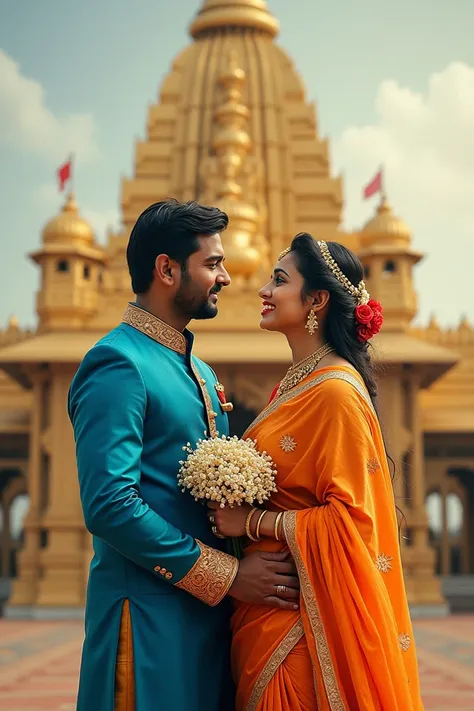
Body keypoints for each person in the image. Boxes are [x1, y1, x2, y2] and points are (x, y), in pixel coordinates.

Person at [68, 199, 300, 711]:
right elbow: (109, 504)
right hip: (148, 620)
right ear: (167, 269)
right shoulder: (118, 363)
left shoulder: (200, 370)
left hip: (206, 619)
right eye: (212, 264)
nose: (226, 278)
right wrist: (230, 577)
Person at [209, 233, 424, 710]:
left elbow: (351, 523)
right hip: (270, 616)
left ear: (318, 300)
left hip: (304, 632)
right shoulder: (299, 384)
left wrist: (250, 522)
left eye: (279, 280)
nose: (263, 290)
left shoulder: (334, 393)